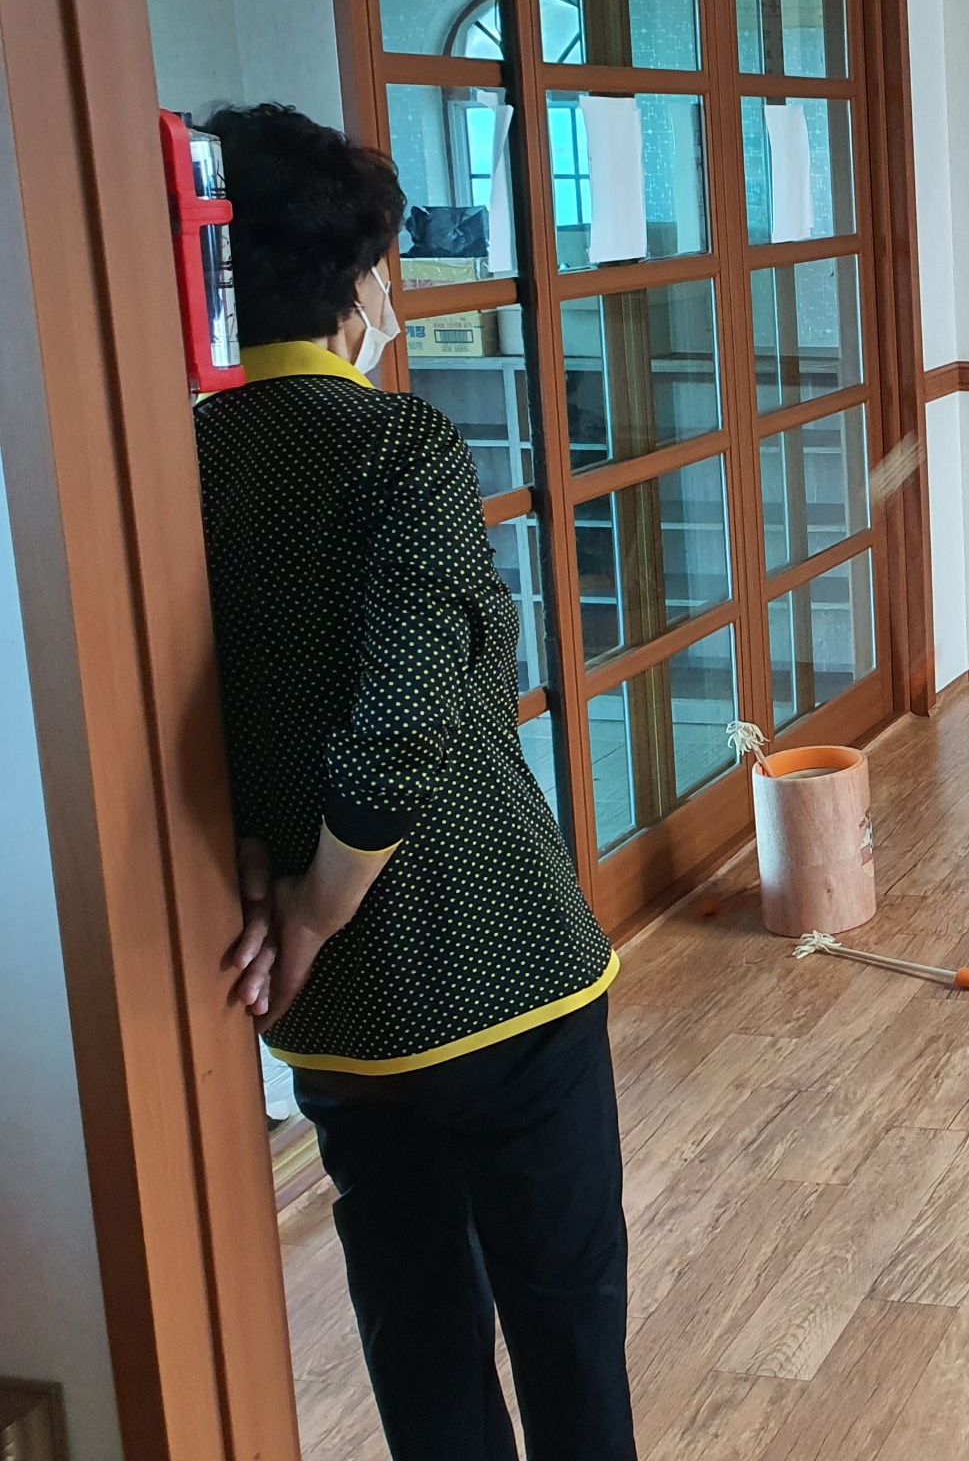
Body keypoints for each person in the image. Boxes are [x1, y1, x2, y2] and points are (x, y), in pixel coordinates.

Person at [198, 104, 636, 1460]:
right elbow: (399, 727)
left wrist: (273, 887)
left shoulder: (177, 465)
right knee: (566, 1318)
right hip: (497, 968)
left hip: (328, 1018)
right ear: (361, 284)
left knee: (414, 1325)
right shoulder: (400, 447)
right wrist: (317, 905)